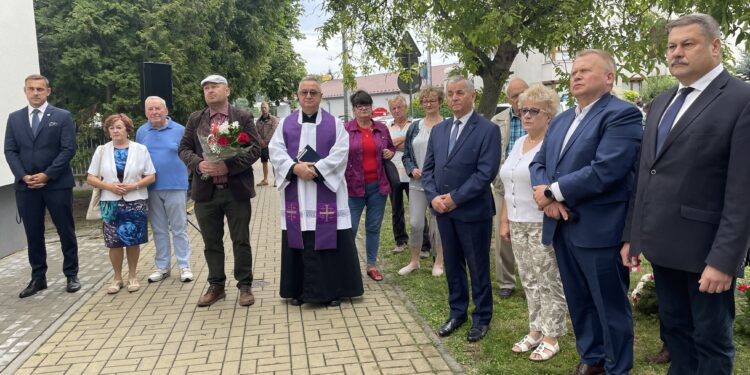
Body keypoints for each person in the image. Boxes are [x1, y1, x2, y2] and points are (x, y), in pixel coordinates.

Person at [621, 13, 750, 375]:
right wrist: (634, 236)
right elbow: (646, 175)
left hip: (705, 253)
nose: (676, 53)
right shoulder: (661, 102)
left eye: (687, 44)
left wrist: (724, 259)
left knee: (710, 340)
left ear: (715, 46)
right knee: (675, 330)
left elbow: (742, 191)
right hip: (662, 248)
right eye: (671, 47)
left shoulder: (741, 99)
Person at [529, 50, 642, 375]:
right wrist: (547, 198)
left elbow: (606, 169)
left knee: (609, 306)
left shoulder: (622, 115)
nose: (575, 75)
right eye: (574, 71)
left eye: (585, 71)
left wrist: (554, 191)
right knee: (578, 300)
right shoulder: (562, 119)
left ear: (609, 78)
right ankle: (591, 358)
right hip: (562, 227)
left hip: (599, 230)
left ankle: (617, 366)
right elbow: (540, 163)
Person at [269, 76, 364, 307]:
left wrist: (317, 169)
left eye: (313, 92)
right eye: (304, 92)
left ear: (321, 96)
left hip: (326, 190)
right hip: (297, 192)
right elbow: (275, 150)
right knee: (299, 236)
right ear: (298, 96)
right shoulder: (285, 124)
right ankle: (299, 291)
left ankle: (333, 291)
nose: (309, 96)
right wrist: (295, 168)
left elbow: (342, 152)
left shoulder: (334, 124)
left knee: (329, 238)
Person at [422, 76, 501, 342]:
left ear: (472, 96)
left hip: (472, 212)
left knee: (478, 267)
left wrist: (455, 198)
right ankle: (457, 312)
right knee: (453, 266)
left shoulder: (487, 130)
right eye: (451, 93)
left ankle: (482, 318)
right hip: (443, 211)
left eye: (459, 93)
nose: (454, 98)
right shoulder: (439, 130)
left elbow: (485, 172)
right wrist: (433, 198)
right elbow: (429, 169)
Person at [178, 74, 262, 307]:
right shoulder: (196, 119)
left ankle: (245, 286)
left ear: (227, 90)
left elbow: (254, 149)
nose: (210, 91)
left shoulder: (243, 117)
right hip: (206, 192)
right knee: (211, 242)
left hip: (235, 190)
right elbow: (183, 148)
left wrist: (228, 165)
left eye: (215, 87)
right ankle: (216, 286)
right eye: (206, 88)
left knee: (240, 240)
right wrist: (198, 164)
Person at [499, 85, 567, 361]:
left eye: (533, 111)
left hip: (541, 223)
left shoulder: (553, 145)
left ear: (549, 115)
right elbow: (509, 184)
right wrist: (504, 221)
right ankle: (535, 329)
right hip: (517, 222)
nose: (525, 115)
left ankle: (553, 336)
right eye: (523, 110)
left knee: (549, 281)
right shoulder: (518, 143)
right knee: (529, 280)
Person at [4, 74, 80, 298]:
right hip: (26, 187)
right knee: (33, 233)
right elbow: (10, 150)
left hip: (56, 184)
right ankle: (38, 278)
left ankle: (71, 274)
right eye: (31, 89)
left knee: (65, 230)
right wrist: (23, 175)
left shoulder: (62, 116)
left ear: (48, 91)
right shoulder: (15, 118)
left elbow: (68, 149)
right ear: (25, 91)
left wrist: (47, 175)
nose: (35, 93)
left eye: (40, 89)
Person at [87, 114, 156, 294]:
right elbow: (91, 177)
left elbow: (151, 175)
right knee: (114, 242)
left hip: (135, 200)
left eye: (119, 127)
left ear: (127, 129)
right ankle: (117, 278)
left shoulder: (140, 149)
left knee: (133, 240)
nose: (115, 131)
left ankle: (132, 276)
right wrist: (108, 186)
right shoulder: (101, 150)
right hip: (110, 202)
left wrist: (134, 185)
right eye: (111, 128)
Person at [135, 96, 192, 283]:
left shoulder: (180, 130)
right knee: (159, 229)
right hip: (151, 188)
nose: (154, 112)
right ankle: (163, 266)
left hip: (176, 185)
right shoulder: (142, 132)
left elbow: (190, 155)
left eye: (158, 108)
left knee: (179, 228)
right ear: (145, 112)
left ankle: (184, 266)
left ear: (166, 110)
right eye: (150, 109)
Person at [344, 90, 395, 282]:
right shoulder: (346, 130)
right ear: (354, 109)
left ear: (371, 107)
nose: (364, 109)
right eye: (359, 106)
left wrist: (390, 152)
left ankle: (372, 265)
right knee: (350, 228)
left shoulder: (381, 128)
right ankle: (348, 266)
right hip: (353, 187)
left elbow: (389, 147)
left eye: (366, 105)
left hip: (378, 187)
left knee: (373, 227)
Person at [399, 87, 445, 277]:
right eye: (425, 101)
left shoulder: (447, 126)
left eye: (432, 100)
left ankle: (439, 262)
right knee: (416, 223)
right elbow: (406, 155)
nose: (428, 104)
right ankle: (414, 261)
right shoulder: (414, 127)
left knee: (439, 224)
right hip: (417, 184)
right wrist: (411, 169)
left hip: (439, 184)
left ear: (440, 103)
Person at [490, 78, 528, 299]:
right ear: (507, 99)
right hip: (504, 186)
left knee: (529, 234)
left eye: (524, 93)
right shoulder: (498, 121)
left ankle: (531, 278)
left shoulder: (540, 116)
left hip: (531, 186)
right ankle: (506, 281)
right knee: (502, 234)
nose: (520, 98)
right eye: (515, 96)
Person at [387, 95, 431, 257]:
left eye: (399, 107)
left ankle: (425, 245)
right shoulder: (387, 127)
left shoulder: (415, 125)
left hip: (412, 173)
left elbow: (411, 148)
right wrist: (401, 143)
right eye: (393, 108)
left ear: (405, 108)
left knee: (417, 210)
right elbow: (385, 148)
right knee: (396, 209)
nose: (397, 111)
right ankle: (400, 241)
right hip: (393, 173)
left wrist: (397, 142)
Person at [256, 101, 278, 186]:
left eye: (265, 107)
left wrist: (265, 141)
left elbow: (273, 130)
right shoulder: (258, 121)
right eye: (262, 108)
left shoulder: (273, 119)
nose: (263, 109)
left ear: (268, 108)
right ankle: (265, 180)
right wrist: (260, 141)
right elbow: (256, 132)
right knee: (264, 162)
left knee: (274, 162)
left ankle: (276, 180)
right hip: (262, 145)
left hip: (272, 145)